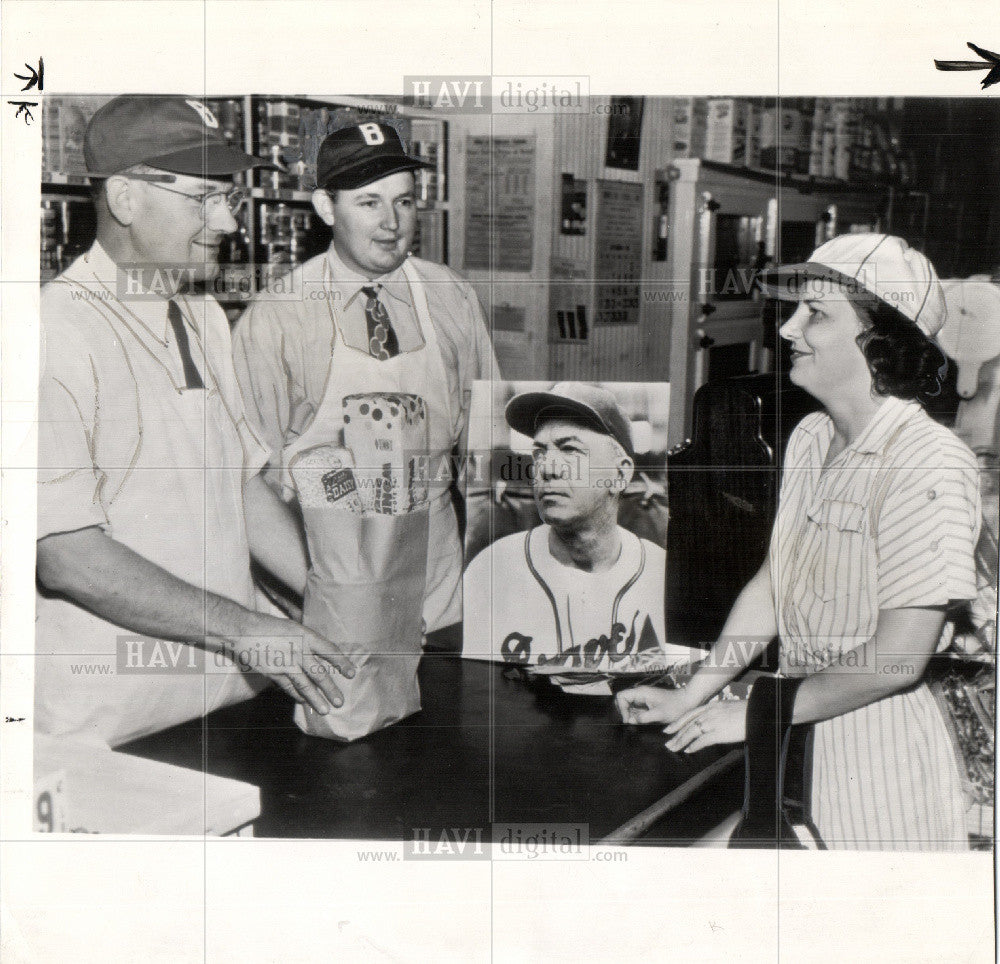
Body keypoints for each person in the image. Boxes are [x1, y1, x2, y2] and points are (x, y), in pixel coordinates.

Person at [617, 234, 981, 851]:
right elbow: (775, 582)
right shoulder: (812, 436)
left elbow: (898, 658)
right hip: (793, 735)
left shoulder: (928, 462)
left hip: (877, 761)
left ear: (881, 340)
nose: (787, 330)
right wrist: (695, 692)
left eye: (815, 314)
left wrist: (757, 712)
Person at [35, 95, 354, 748]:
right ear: (125, 198)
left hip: (229, 701)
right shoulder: (50, 333)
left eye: (229, 197)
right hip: (112, 730)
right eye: (204, 198)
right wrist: (245, 629)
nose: (228, 220)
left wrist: (333, 598)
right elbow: (67, 557)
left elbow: (239, 483)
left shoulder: (202, 313)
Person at [233, 122, 498, 642]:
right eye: (369, 203)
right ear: (326, 208)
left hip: (437, 573)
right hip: (327, 577)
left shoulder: (451, 297)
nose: (390, 224)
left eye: (403, 202)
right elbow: (252, 484)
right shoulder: (278, 316)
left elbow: (485, 452)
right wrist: (339, 601)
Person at [463, 383, 693, 672]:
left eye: (570, 449)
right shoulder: (491, 570)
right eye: (539, 453)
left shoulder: (665, 577)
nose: (547, 468)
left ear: (620, 474)